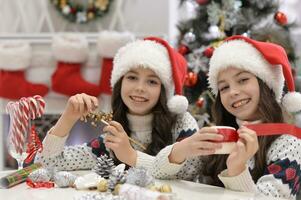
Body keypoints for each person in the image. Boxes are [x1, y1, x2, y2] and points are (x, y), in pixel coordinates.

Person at [151, 35, 301, 199]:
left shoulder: (289, 144)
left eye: (243, 80)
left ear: (266, 84)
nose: (233, 92)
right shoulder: (222, 138)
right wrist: (182, 148)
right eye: (224, 88)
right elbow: (158, 175)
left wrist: (237, 170)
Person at [35, 36, 199, 171]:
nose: (140, 88)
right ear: (119, 83)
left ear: (164, 91)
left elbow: (189, 171)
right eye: (132, 77)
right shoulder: (112, 139)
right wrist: (67, 118)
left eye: (152, 82)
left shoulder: (182, 123)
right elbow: (47, 164)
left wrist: (131, 157)